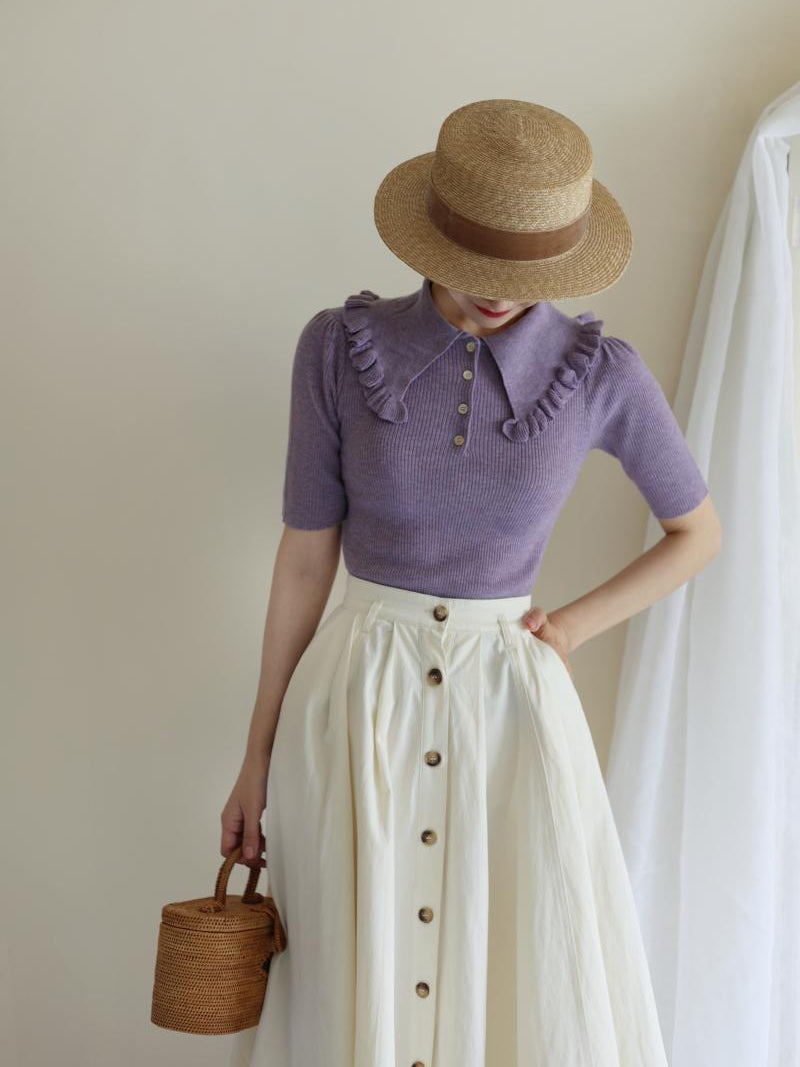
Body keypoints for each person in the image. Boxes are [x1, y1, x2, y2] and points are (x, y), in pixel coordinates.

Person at [224, 99, 722, 1067]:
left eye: (529, 274)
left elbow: (694, 533)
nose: (501, 295)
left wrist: (569, 628)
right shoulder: (335, 348)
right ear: (431, 233)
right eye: (480, 267)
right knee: (343, 966)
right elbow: (301, 557)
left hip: (510, 709)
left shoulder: (598, 374)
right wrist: (254, 752)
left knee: (520, 962)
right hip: (355, 698)